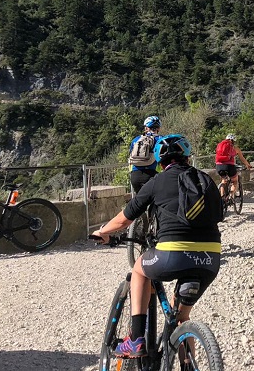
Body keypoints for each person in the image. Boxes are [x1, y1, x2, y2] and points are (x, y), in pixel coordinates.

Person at [92, 134, 221, 357]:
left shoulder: (156, 182)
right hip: (210, 258)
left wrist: (102, 232)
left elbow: (125, 219)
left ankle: (136, 340)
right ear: (187, 158)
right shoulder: (205, 179)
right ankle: (186, 358)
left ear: (160, 162)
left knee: (139, 271)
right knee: (181, 318)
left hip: (172, 254)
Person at [128, 116, 162, 194]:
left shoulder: (136, 140)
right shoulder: (160, 139)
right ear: (158, 128)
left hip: (135, 176)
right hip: (152, 174)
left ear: (146, 128)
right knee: (156, 202)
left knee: (141, 203)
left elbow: (130, 154)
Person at [215, 134, 251, 200]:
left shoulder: (220, 146)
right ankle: (231, 196)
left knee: (223, 181)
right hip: (229, 166)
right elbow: (242, 159)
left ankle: (222, 198)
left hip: (219, 165)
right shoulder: (235, 148)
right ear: (234, 141)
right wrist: (247, 164)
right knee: (235, 181)